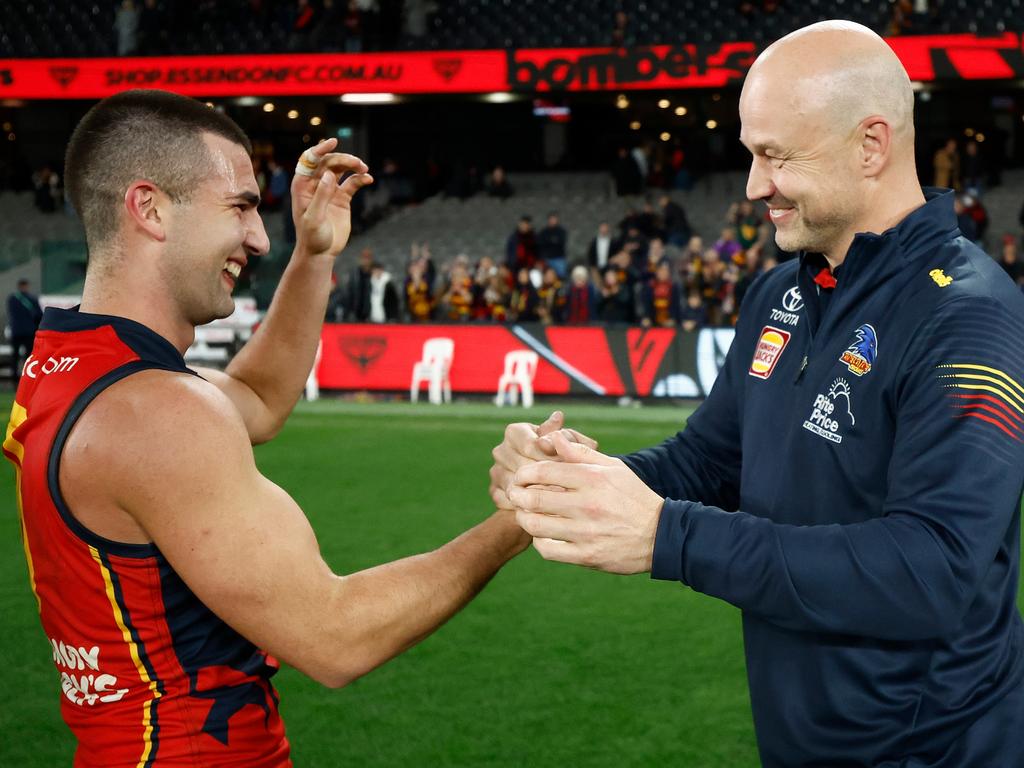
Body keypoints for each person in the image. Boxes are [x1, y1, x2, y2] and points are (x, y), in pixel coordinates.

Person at [491, 21, 1024, 768]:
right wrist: (575, 476)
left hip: (935, 751)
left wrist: (669, 537)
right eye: (750, 154)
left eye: (776, 156)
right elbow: (711, 459)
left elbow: (932, 571)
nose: (753, 186)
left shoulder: (967, 313)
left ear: (871, 146)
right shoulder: (781, 293)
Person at [4, 89, 528, 766]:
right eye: (241, 208)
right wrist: (519, 520)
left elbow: (255, 396)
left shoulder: (69, 366)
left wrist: (313, 256)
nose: (258, 237)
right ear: (150, 207)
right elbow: (336, 638)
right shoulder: (156, 414)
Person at [7, 277, 43, 382]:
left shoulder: (12, 299)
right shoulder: (32, 299)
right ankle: (27, 379)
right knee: (28, 357)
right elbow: (39, 315)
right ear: (26, 286)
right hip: (29, 331)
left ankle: (14, 379)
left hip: (16, 331)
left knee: (15, 356)